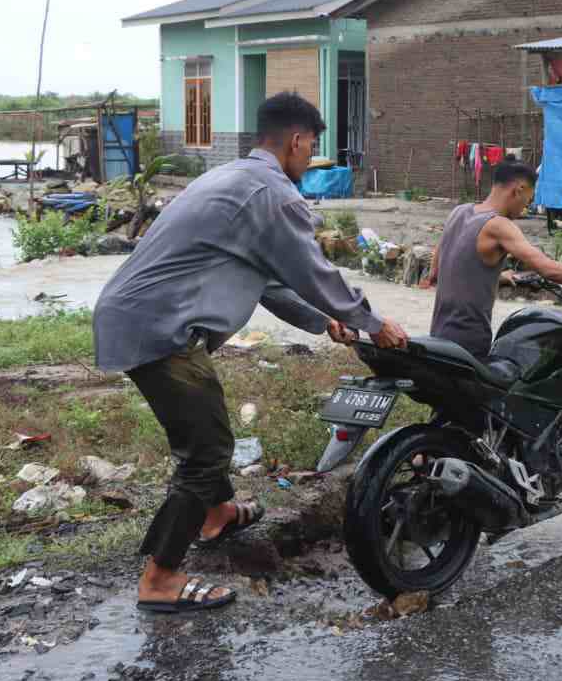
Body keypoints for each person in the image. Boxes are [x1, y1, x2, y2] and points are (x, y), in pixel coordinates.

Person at [93, 92, 408, 615]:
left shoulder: (229, 178)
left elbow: (267, 282)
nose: (311, 158)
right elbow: (314, 273)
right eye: (312, 148)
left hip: (135, 315)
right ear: (297, 139)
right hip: (160, 326)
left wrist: (320, 320)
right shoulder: (275, 195)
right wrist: (372, 323)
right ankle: (161, 577)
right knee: (208, 449)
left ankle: (216, 514)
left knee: (202, 425)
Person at [421, 161, 562, 359]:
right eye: (529, 200)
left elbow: (438, 270)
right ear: (519, 189)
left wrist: (496, 275)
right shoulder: (498, 225)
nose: (525, 207)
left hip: (440, 334)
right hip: (469, 341)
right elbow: (548, 269)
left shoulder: (459, 212)